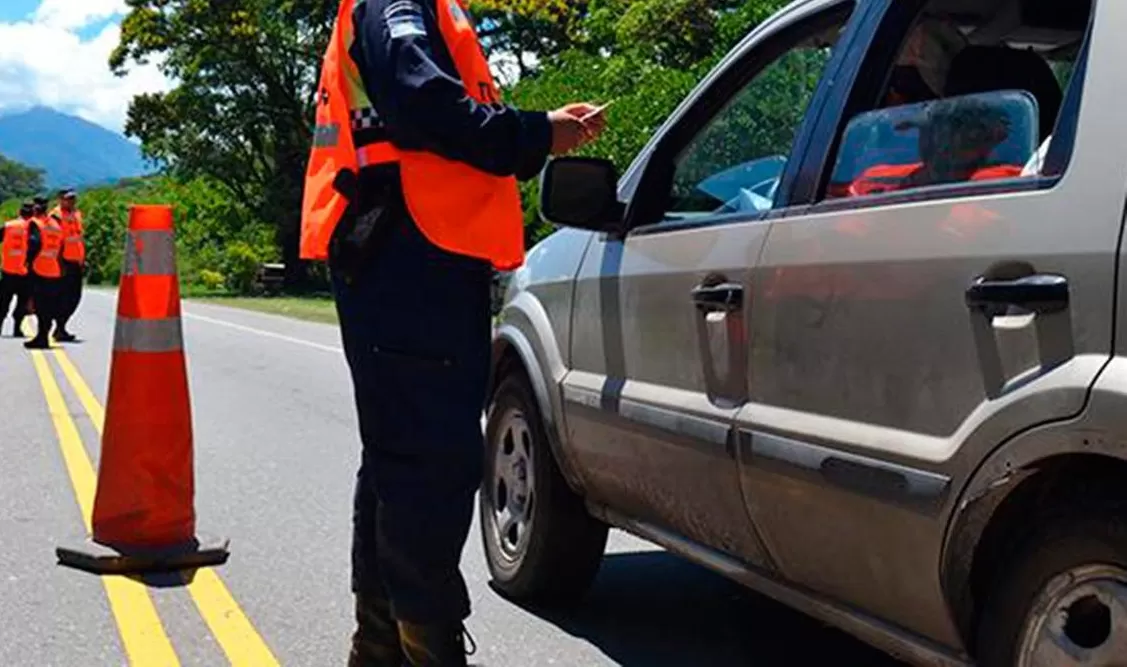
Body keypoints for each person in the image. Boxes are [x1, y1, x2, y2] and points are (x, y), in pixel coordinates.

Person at [300, 1, 606, 665]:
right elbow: (423, 103)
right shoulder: (395, 6)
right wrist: (535, 134)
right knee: (428, 463)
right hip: (411, 254)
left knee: (398, 457)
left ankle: (381, 643)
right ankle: (423, 644)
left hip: (412, 254)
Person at [24, 195, 64, 350]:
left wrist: (28, 261)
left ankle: (41, 338)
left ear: (35, 208)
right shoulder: (55, 224)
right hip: (53, 270)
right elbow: (61, 247)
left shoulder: (35, 223)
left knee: (40, 306)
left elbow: (34, 243)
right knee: (48, 306)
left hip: (39, 268)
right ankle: (43, 337)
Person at [50, 189, 85, 342]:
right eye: (68, 199)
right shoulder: (55, 216)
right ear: (60, 199)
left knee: (74, 297)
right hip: (63, 262)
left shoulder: (76, 214)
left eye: (73, 199)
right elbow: (54, 241)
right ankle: (59, 327)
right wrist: (58, 263)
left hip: (75, 262)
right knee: (63, 297)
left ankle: (61, 326)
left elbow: (77, 238)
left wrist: (82, 259)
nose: (71, 202)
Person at [0, 202, 35, 337]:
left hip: (8, 271)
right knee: (22, 303)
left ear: (20, 212)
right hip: (25, 272)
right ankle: (17, 329)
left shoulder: (8, 226)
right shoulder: (33, 228)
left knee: (3, 302)